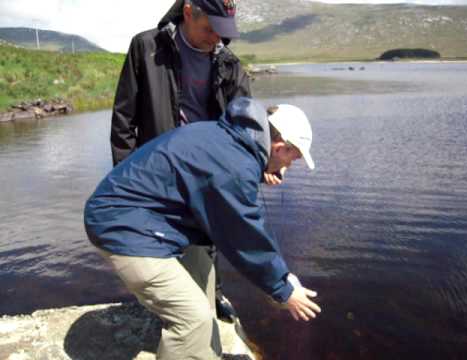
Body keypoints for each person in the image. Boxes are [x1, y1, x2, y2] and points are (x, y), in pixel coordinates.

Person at [85, 97, 321, 360]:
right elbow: (244, 236)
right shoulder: (236, 166)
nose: (290, 166)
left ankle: (201, 351)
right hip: (120, 225)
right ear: (279, 148)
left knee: (204, 273)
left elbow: (224, 183)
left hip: (142, 216)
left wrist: (259, 169)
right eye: (294, 158)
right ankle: (190, 341)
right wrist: (284, 289)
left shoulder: (233, 139)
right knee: (194, 318)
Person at [110, 0, 256, 321]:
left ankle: (213, 294)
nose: (217, 38)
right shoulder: (146, 48)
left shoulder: (230, 65)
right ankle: (169, 307)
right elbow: (124, 121)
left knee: (208, 238)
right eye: (209, 29)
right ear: (188, 12)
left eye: (223, 32)